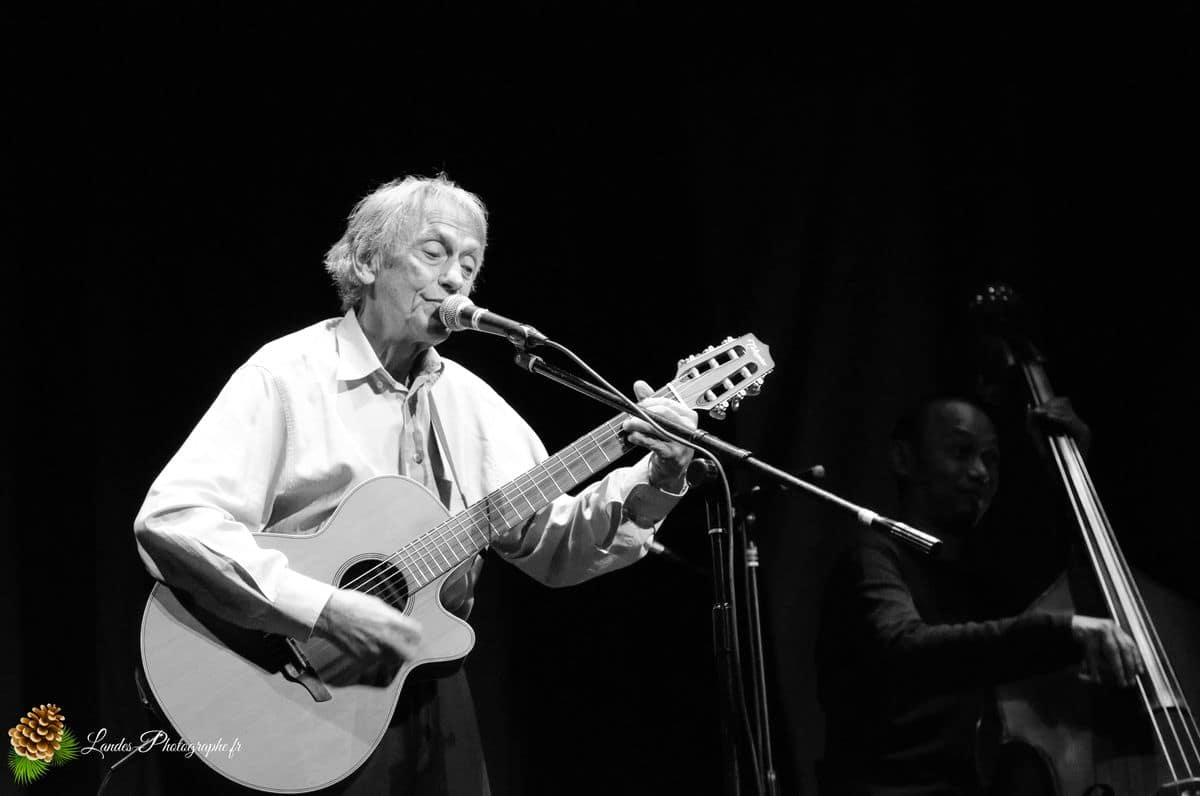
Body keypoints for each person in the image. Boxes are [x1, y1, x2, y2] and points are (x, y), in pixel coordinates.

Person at [132, 174, 698, 795]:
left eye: (469, 266)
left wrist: (657, 477)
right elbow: (174, 520)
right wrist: (322, 608)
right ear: (367, 261)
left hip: (430, 690)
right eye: (434, 253)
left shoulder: (472, 402)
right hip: (285, 684)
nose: (455, 279)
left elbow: (555, 546)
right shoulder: (287, 375)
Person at [815, 395, 1143, 795]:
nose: (980, 472)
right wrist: (1065, 631)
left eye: (991, 459)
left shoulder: (979, 572)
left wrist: (1072, 469)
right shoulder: (873, 555)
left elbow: (1076, 577)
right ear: (903, 459)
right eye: (961, 452)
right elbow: (905, 646)